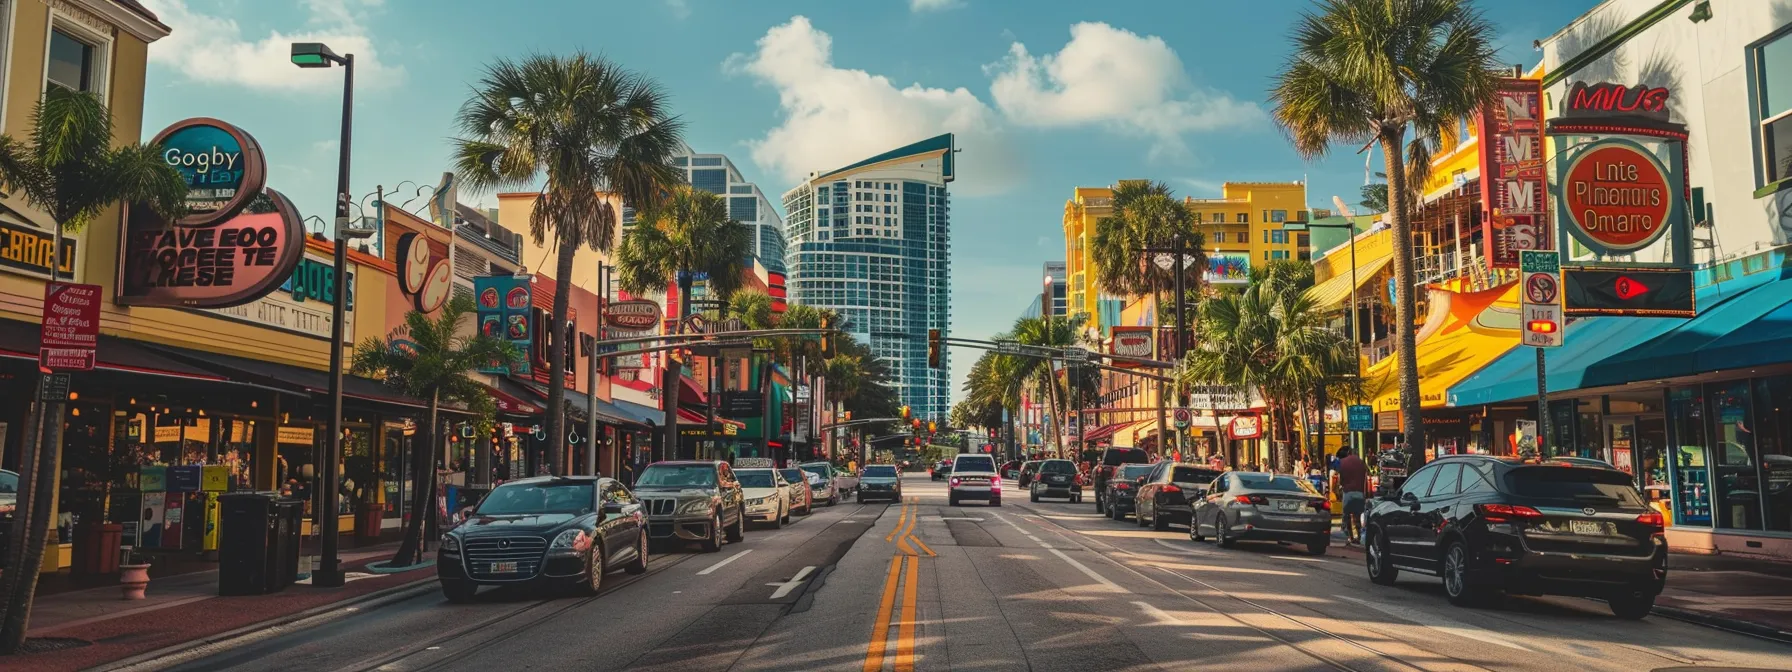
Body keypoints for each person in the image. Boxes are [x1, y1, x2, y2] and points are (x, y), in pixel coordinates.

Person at [1335, 446, 1368, 546]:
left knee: (1346, 516)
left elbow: (1340, 480)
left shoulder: (1341, 463)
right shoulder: (1361, 462)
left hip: (1348, 493)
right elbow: (1366, 477)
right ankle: (1359, 536)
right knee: (1357, 516)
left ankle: (1350, 537)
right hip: (1360, 493)